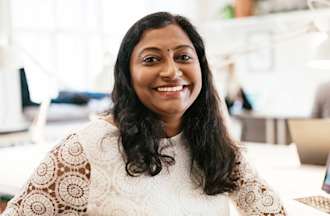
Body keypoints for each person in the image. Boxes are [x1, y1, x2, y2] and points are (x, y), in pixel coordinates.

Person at [1, 12, 286, 215]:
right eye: (151, 59)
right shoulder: (83, 150)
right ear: (128, 74)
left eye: (184, 57)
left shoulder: (218, 146)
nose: (172, 71)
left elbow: (269, 211)